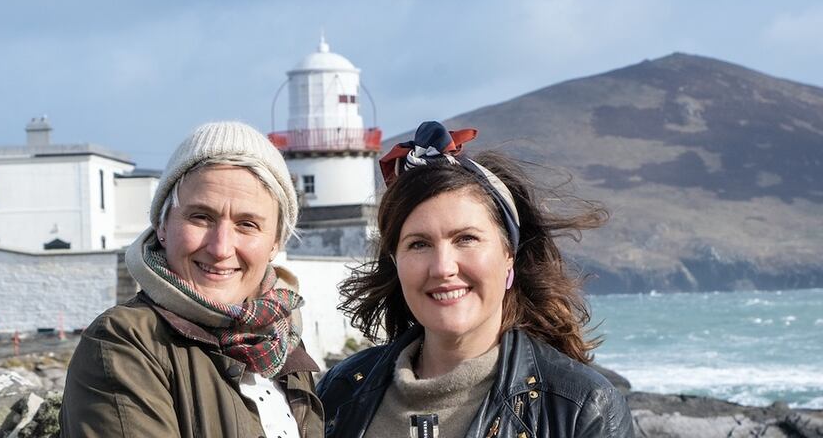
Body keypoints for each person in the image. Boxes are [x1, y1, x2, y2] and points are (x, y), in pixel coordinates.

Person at [317, 120, 634, 438]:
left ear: (509, 255)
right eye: (419, 244)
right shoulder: (340, 391)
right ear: (395, 261)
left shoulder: (582, 408)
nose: (443, 267)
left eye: (466, 238)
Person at [61, 121, 324, 438]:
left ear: (275, 243)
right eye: (201, 217)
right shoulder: (125, 342)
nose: (220, 248)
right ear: (162, 225)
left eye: (247, 224)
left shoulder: (282, 340)